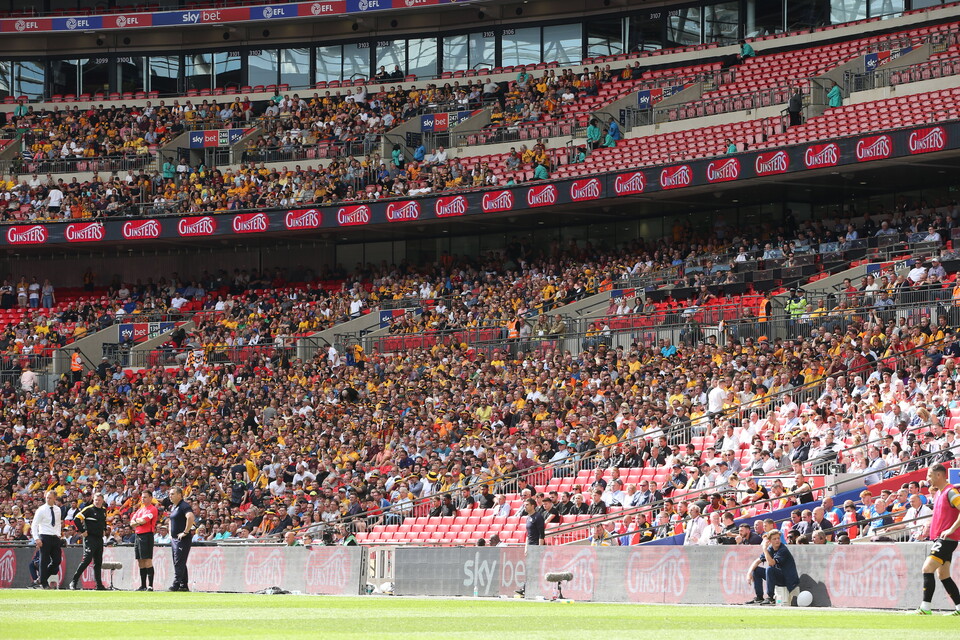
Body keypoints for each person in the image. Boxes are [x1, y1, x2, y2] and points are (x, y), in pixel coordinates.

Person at [913, 464, 960, 615]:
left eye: (929, 475)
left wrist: (951, 529)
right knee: (943, 575)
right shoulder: (939, 493)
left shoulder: (950, 492)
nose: (927, 479)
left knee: (927, 568)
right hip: (940, 538)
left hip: (947, 539)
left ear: (939, 475)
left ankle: (925, 607)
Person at [746, 530, 800, 605]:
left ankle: (770, 597)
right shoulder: (770, 549)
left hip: (788, 579)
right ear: (769, 541)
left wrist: (764, 549)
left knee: (769, 569)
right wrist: (749, 574)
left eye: (778, 538)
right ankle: (759, 597)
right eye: (774, 539)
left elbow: (771, 563)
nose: (777, 540)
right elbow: (757, 561)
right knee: (756, 570)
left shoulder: (783, 550)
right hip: (777, 576)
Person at [70, 493, 107, 590]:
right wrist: (82, 531)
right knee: (87, 560)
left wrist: (104, 529)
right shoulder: (88, 509)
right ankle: (74, 581)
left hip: (99, 539)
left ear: (102, 500)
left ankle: (99, 584)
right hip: (90, 538)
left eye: (99, 500)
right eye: (95, 500)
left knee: (98, 562)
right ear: (93, 500)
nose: (97, 502)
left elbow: (103, 521)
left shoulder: (103, 510)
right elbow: (77, 519)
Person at [31, 490, 63, 588]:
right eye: (47, 497)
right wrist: (37, 538)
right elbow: (34, 524)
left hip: (55, 537)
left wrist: (59, 534)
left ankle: (41, 578)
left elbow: (57, 523)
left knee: (57, 560)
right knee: (44, 560)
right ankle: (44, 583)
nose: (48, 499)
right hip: (45, 536)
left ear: (54, 498)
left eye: (50, 498)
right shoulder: (41, 509)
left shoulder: (58, 509)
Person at [167, 486, 196, 592]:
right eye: (170, 494)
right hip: (174, 539)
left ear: (179, 495)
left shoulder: (184, 506)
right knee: (179, 561)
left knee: (179, 561)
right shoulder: (174, 507)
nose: (170, 496)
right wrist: (170, 533)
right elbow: (171, 520)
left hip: (182, 539)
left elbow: (190, 517)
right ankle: (184, 584)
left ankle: (176, 584)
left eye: (172, 494)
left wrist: (185, 532)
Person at [131, 490, 159, 591]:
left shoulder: (153, 509)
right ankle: (143, 585)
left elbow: (143, 521)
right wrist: (139, 522)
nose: (143, 499)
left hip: (147, 535)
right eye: (142, 497)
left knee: (147, 560)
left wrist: (138, 522)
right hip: (138, 535)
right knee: (140, 560)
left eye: (145, 497)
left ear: (151, 498)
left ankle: (150, 585)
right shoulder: (140, 510)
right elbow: (131, 523)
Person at [515, 498, 544, 596]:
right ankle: (526, 588)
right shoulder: (528, 517)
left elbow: (541, 534)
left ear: (533, 506)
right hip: (530, 546)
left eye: (527, 505)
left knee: (534, 569)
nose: (525, 507)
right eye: (524, 505)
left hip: (536, 546)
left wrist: (539, 548)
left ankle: (527, 588)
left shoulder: (538, 517)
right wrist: (526, 547)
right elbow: (528, 535)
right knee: (530, 569)